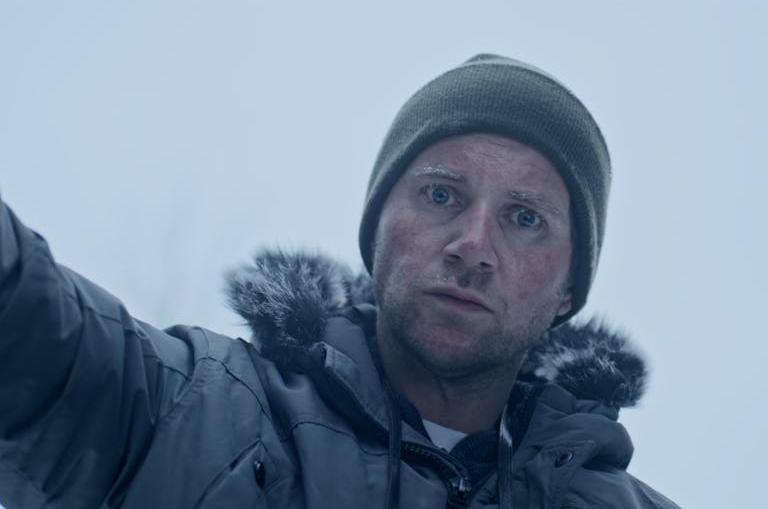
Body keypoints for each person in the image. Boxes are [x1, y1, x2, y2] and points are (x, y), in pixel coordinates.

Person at [0, 54, 679, 508]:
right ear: (375, 231)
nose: (474, 246)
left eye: (524, 217)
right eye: (441, 196)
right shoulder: (186, 410)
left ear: (568, 290)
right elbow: (27, 320)